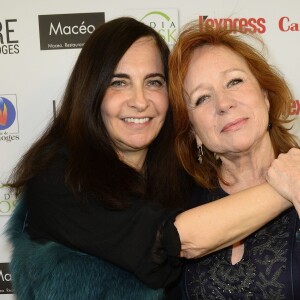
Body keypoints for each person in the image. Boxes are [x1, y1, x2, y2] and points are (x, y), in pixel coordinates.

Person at [4, 17, 298, 300]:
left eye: (154, 82)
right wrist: (288, 187)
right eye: (118, 82)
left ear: (266, 95)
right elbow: (172, 240)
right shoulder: (59, 179)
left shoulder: (178, 183)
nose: (140, 101)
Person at [168, 21, 300, 299]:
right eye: (202, 98)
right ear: (193, 132)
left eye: (234, 81)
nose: (224, 103)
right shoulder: (178, 200)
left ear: (265, 96)